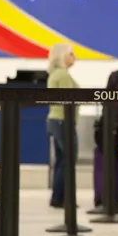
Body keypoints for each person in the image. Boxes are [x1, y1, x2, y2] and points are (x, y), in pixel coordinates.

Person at [46, 43, 78, 209]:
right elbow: (68, 100)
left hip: (55, 120)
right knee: (68, 159)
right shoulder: (63, 75)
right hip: (63, 120)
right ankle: (62, 198)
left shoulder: (54, 74)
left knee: (61, 160)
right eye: (71, 54)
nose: (75, 57)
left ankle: (57, 197)